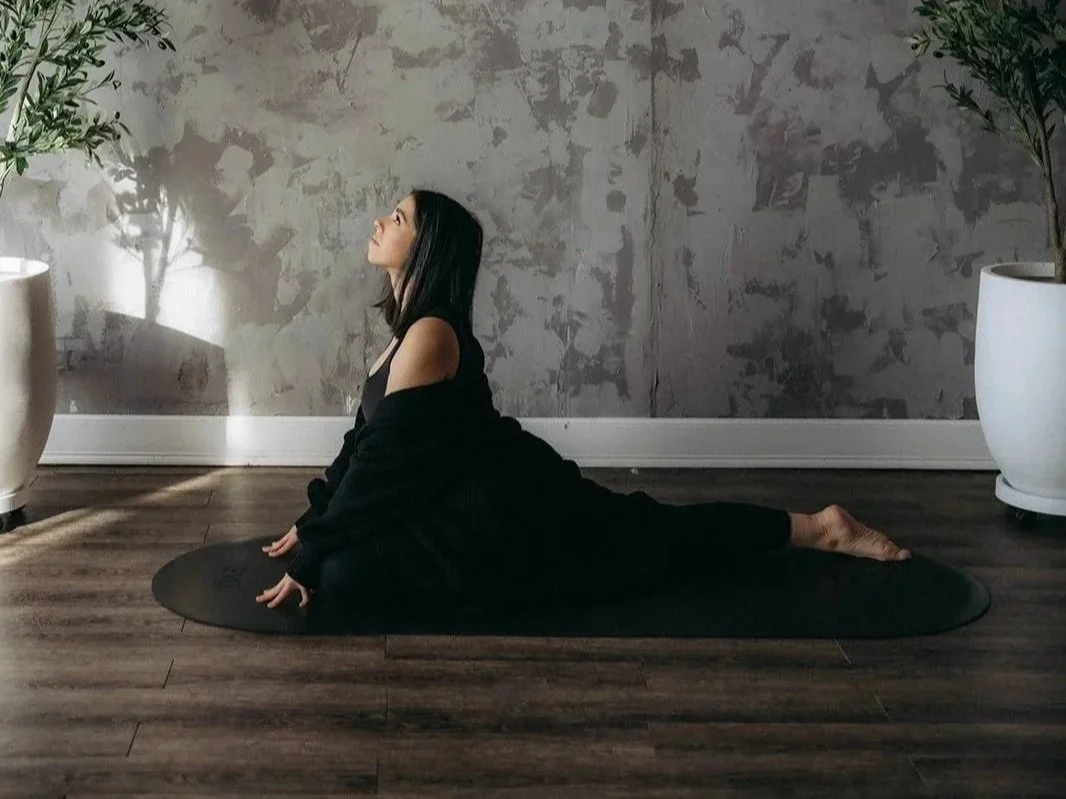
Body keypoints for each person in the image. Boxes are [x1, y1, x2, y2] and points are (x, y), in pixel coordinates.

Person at [256, 190, 911, 612]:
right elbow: (360, 447)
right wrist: (312, 523)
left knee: (660, 538)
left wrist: (316, 546)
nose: (379, 220)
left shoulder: (430, 335)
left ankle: (819, 526)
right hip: (461, 505)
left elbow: (382, 471)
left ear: (427, 247)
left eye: (397, 218)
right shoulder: (403, 334)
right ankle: (812, 526)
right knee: (340, 572)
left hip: (511, 505)